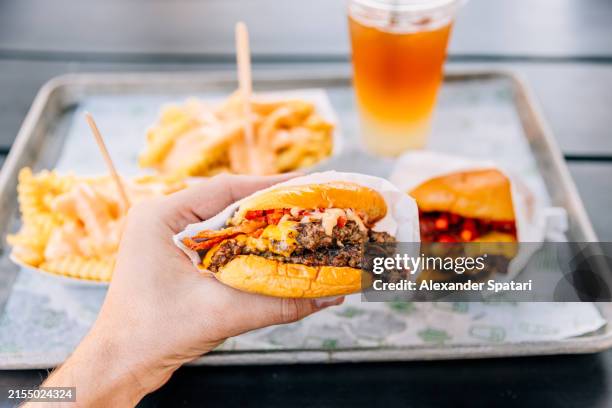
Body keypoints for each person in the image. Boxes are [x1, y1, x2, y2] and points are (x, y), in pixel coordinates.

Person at [29, 174, 344, 407]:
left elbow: (390, 258)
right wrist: (120, 357)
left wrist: (112, 365)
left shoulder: (386, 256)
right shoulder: (388, 259)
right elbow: (390, 260)